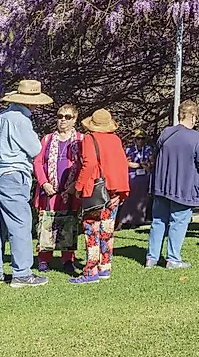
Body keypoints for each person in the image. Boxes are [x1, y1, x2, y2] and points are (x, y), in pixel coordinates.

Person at [0, 79, 49, 288]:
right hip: (12, 174)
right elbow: (35, 148)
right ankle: (22, 273)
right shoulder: (21, 120)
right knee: (19, 223)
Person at [147, 100, 199, 269]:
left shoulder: (166, 132)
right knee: (179, 222)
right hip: (183, 186)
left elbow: (157, 153)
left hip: (161, 186)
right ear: (193, 116)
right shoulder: (196, 137)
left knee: (158, 221)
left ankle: (151, 258)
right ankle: (173, 259)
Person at [72, 108, 130, 284]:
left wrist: (78, 186)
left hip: (96, 191)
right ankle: (105, 266)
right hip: (114, 192)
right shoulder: (116, 140)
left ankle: (91, 270)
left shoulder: (90, 139)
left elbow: (88, 164)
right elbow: (122, 165)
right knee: (107, 229)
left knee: (91, 229)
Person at [33, 102, 81, 274]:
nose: (63, 120)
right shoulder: (47, 139)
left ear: (75, 119)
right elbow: (38, 162)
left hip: (70, 190)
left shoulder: (80, 140)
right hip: (50, 190)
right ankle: (44, 259)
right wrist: (44, 182)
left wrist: (74, 185)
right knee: (47, 223)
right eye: (60, 116)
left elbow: (84, 164)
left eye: (67, 117)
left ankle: (67, 259)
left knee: (68, 223)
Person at [118, 130, 153, 230]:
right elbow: (126, 163)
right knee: (129, 200)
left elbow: (151, 162)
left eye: (142, 139)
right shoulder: (130, 150)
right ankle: (123, 221)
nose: (140, 141)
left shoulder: (148, 149)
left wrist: (147, 166)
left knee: (141, 201)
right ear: (135, 139)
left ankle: (136, 221)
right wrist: (139, 165)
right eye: (138, 138)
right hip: (132, 178)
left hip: (143, 179)